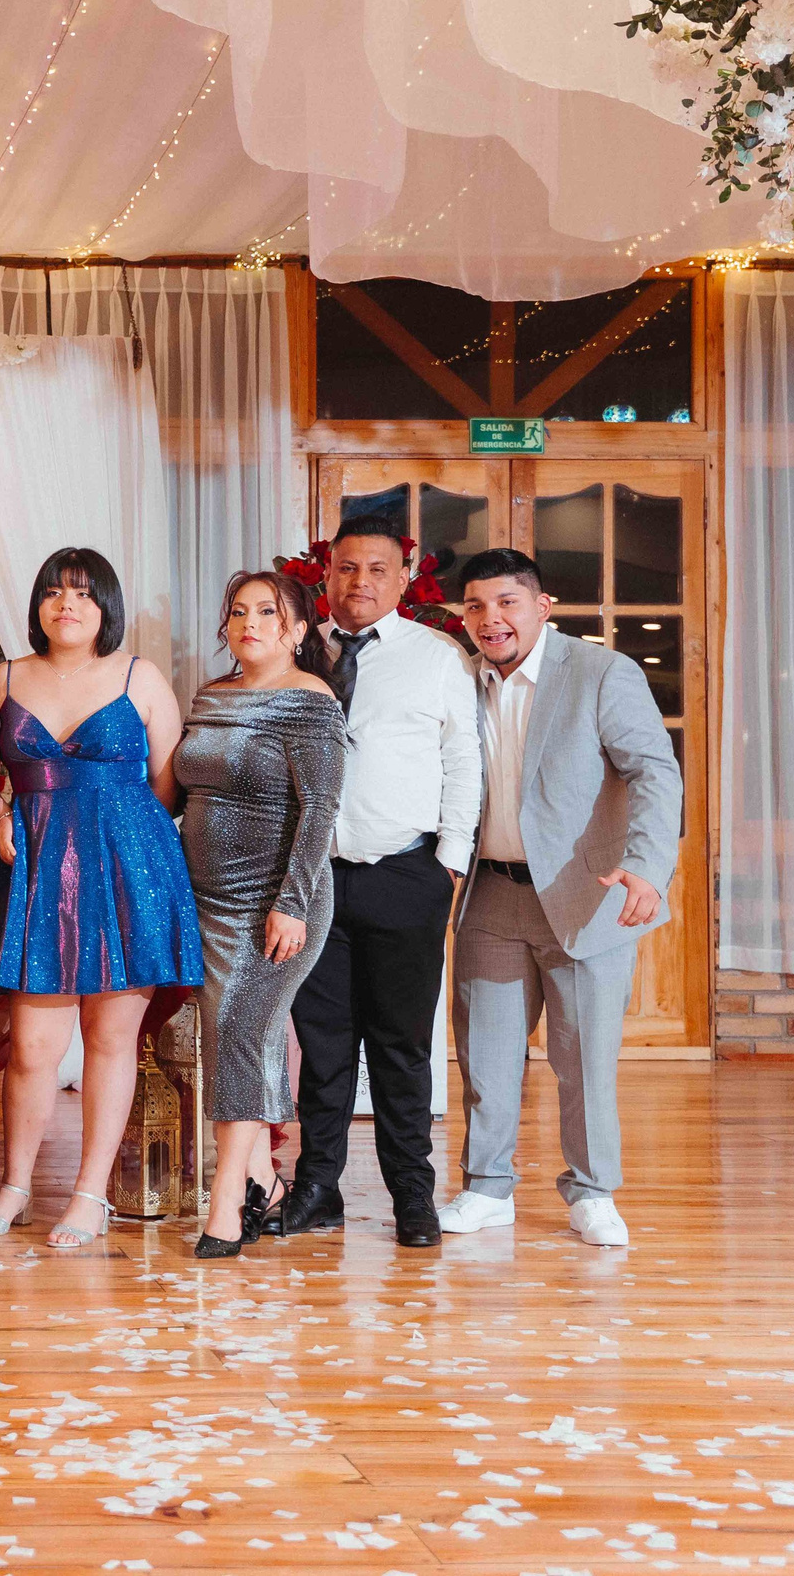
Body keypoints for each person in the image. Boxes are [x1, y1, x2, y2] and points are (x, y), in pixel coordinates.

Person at [438, 548, 681, 1249]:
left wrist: (647, 865)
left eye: (508, 602)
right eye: (477, 606)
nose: (492, 618)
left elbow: (655, 774)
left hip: (586, 894)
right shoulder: (461, 676)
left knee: (582, 1057)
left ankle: (593, 1190)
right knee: (484, 1054)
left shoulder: (602, 672)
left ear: (543, 607)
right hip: (490, 893)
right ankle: (486, 1188)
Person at [0, 548, 203, 1251]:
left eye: (82, 593)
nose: (66, 605)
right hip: (39, 870)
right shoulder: (1, 678)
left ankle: (90, 1192)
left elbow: (167, 785)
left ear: (106, 606)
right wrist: (11, 809)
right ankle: (14, 1185)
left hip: (128, 868)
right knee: (33, 1045)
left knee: (110, 1038)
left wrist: (112, 830)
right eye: (52, 592)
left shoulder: (140, 676)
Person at [276, 515, 482, 1250]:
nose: (360, 582)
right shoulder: (297, 652)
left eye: (376, 569)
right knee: (323, 1046)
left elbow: (465, 763)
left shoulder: (438, 656)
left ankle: (412, 1198)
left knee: (401, 1048)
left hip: (406, 873)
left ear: (403, 578)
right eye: (347, 568)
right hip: (315, 878)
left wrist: (448, 864)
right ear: (326, 574)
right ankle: (318, 1189)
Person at [174, 572, 344, 1258]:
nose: (250, 622)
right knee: (228, 1033)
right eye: (237, 610)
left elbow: (320, 811)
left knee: (241, 1029)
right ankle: (264, 1180)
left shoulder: (311, 700)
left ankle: (224, 1207)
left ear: (298, 629)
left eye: (268, 612)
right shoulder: (211, 697)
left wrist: (292, 904)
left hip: (278, 902)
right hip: (205, 897)